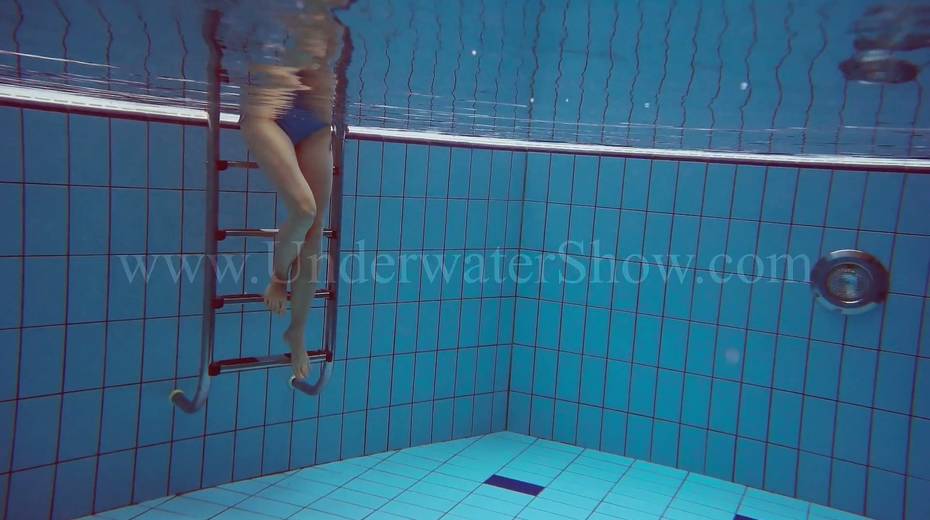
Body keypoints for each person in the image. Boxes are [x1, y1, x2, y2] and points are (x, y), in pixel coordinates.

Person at [238, 0, 346, 380]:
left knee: (314, 238)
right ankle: (279, 277)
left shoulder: (336, 27)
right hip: (266, 114)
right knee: (304, 210)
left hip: (316, 122)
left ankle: (296, 331)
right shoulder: (280, 14)